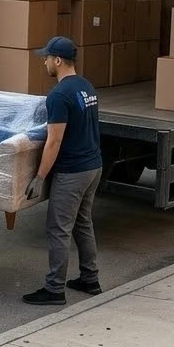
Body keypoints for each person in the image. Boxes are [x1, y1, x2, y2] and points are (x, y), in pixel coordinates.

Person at [22, 36, 104, 306]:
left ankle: (54, 289)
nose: (44, 62)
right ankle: (90, 279)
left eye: (46, 58)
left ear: (57, 60)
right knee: (83, 223)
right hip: (93, 166)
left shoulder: (58, 95)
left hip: (73, 172)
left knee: (58, 229)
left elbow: (54, 141)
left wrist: (39, 177)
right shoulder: (86, 86)